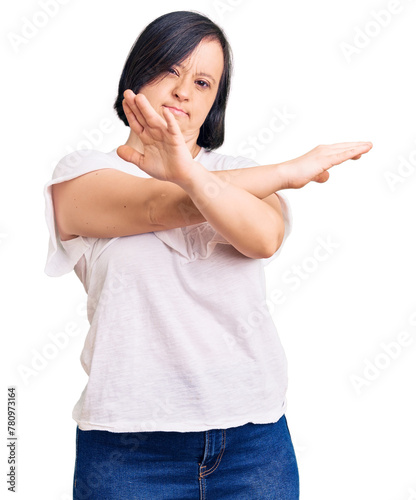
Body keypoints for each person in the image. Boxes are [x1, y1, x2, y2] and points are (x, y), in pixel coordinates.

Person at [44, 10, 372, 500]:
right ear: (137, 74)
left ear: (214, 102)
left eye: (202, 82)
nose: (182, 91)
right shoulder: (81, 174)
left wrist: (191, 173)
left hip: (252, 444)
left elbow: (263, 239)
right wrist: (288, 170)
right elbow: (159, 207)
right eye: (169, 70)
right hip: (127, 448)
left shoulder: (242, 173)